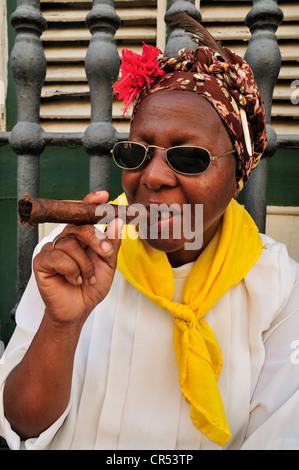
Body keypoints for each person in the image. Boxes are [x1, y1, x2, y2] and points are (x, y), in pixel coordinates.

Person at [0, 18, 298, 450]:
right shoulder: (70, 257)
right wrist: (61, 326)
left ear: (238, 176)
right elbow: (21, 424)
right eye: (137, 152)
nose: (153, 176)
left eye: (189, 157)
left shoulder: (278, 288)